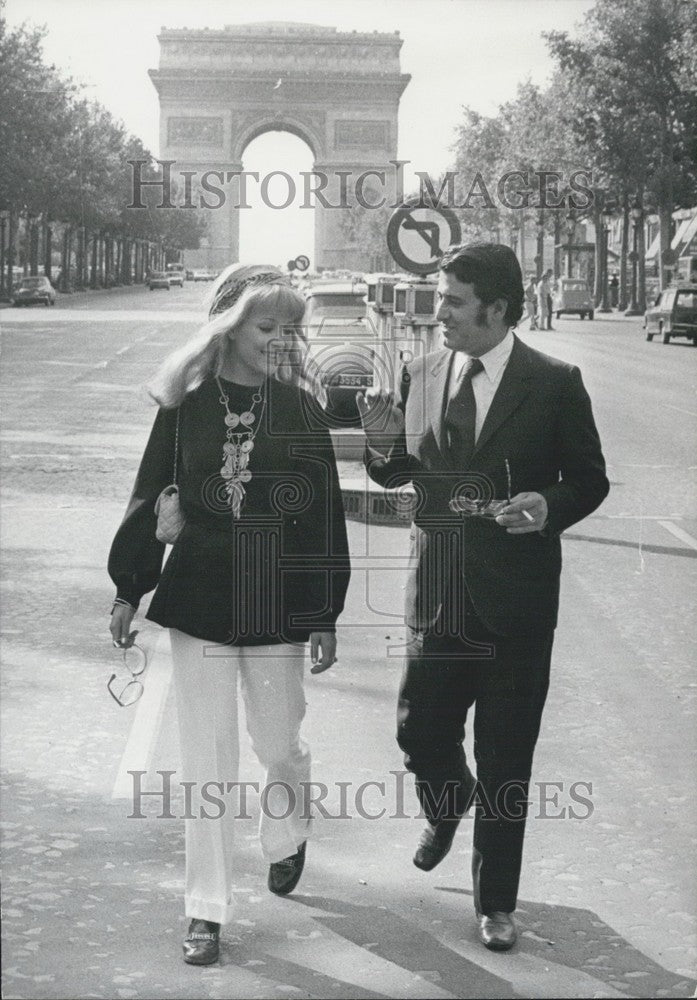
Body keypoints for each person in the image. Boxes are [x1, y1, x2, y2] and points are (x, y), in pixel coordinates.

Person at [357, 243, 608, 952]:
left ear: (496, 310)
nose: (438, 314)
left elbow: (588, 480)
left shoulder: (555, 382)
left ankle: (495, 903)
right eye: (440, 299)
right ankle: (445, 798)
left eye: (452, 302)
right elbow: (396, 472)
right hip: (436, 593)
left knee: (507, 759)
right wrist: (378, 443)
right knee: (417, 730)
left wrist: (546, 504)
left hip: (518, 604)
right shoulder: (421, 371)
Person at [108, 264, 350, 966]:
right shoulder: (184, 403)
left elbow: (325, 513)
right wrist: (130, 587)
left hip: (277, 600)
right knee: (206, 764)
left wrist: (326, 609)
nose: (278, 339)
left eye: (288, 329)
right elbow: (150, 493)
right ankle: (205, 909)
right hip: (202, 597)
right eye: (264, 325)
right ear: (229, 325)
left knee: (277, 746)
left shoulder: (301, 410)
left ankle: (287, 831)